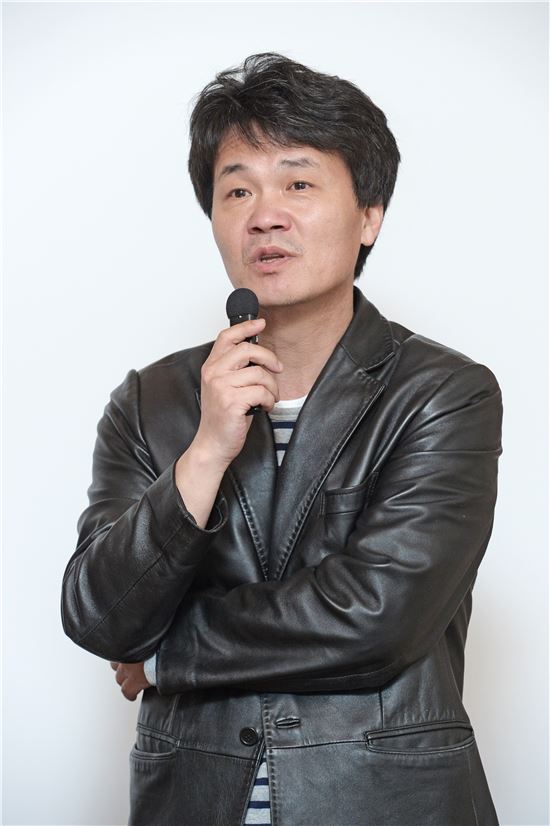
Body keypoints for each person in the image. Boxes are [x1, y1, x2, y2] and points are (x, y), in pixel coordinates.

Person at [61, 52, 502, 826]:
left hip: (385, 804)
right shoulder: (150, 402)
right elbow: (100, 616)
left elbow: (377, 616)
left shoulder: (442, 393)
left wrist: (166, 654)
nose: (265, 214)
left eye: (298, 184)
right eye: (237, 190)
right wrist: (205, 451)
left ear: (369, 215)